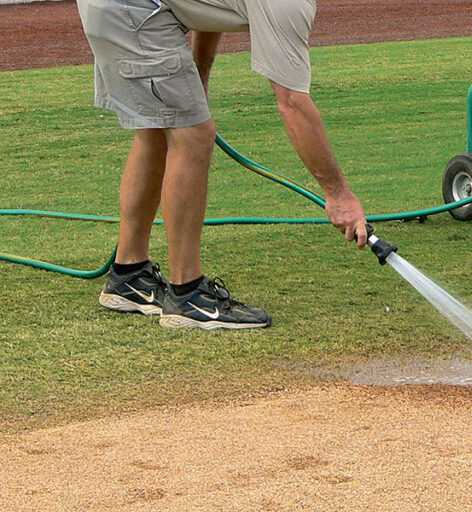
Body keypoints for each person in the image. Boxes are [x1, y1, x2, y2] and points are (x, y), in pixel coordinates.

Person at [76, 0, 368, 329]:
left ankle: (129, 275)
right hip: (133, 10)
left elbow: (206, 9)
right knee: (193, 135)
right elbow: (292, 103)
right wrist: (339, 194)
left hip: (121, 7)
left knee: (159, 129)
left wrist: (199, 74)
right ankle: (186, 294)